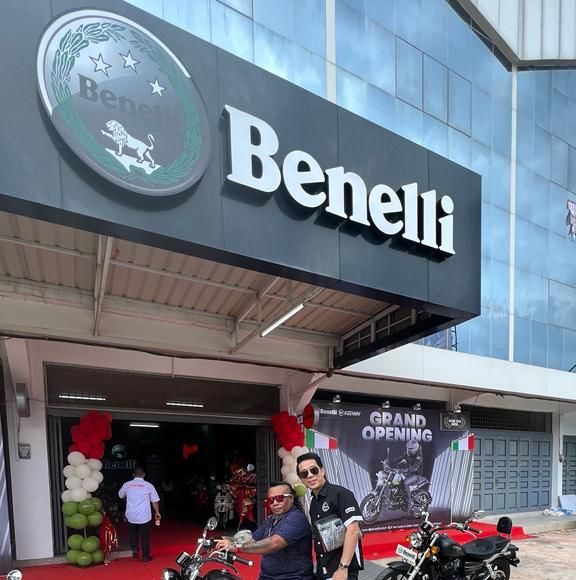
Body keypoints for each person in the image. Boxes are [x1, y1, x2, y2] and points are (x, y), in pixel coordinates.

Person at [215, 482, 313, 580]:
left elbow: (274, 544)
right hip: (267, 576)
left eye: (280, 498)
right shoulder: (271, 520)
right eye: (271, 500)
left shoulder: (296, 518)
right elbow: (252, 539)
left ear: (291, 498)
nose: (275, 503)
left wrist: (237, 548)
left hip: (292, 577)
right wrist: (225, 539)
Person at [296, 452, 363, 580]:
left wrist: (343, 568)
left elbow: (353, 530)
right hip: (324, 569)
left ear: (322, 471)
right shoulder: (314, 502)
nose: (310, 475)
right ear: (301, 479)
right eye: (304, 474)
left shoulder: (341, 494)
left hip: (342, 570)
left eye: (314, 470)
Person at [118, 467, 161, 562]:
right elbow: (154, 501)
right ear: (144, 475)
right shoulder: (149, 485)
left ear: (133, 475)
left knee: (132, 533)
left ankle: (135, 550)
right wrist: (157, 512)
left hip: (131, 515)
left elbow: (120, 495)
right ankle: (145, 556)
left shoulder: (127, 484)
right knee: (144, 536)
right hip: (144, 516)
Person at [391, 439, 424, 511]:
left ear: (415, 449)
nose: (408, 450)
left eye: (410, 449)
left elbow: (415, 468)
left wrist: (404, 470)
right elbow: (400, 457)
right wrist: (390, 462)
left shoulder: (419, 456)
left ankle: (409, 502)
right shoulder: (410, 452)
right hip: (409, 472)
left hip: (416, 474)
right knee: (396, 480)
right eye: (408, 448)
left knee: (405, 483)